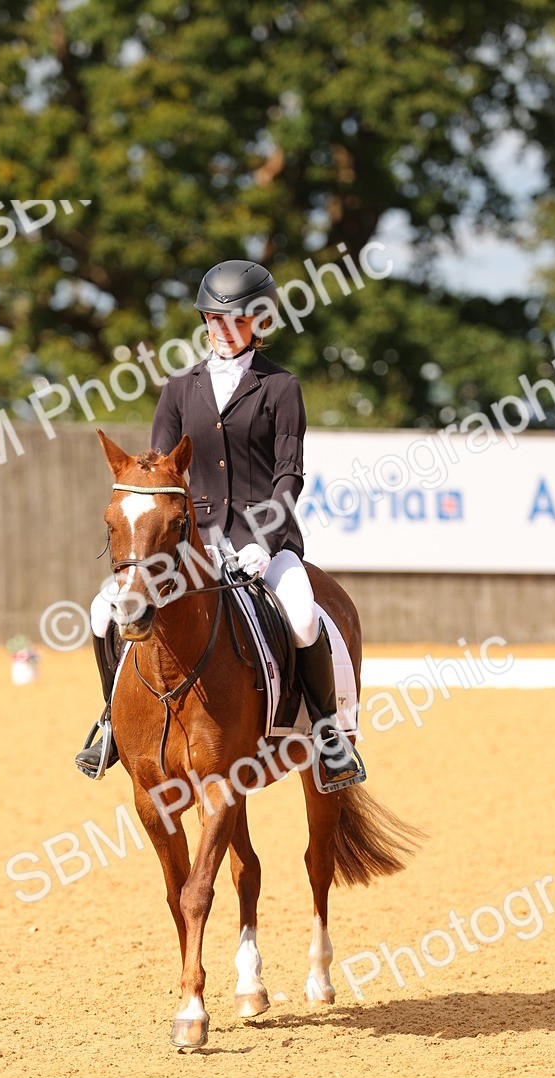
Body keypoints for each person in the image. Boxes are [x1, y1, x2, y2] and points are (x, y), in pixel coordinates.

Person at [76, 259, 361, 784]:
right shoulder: (181, 386)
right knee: (103, 612)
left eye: (236, 322)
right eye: (213, 320)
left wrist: (265, 540)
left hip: (263, 540)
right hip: (187, 541)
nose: (223, 331)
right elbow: (158, 467)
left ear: (260, 323)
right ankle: (111, 724)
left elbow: (289, 475)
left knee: (301, 615)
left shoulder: (279, 387)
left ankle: (327, 734)